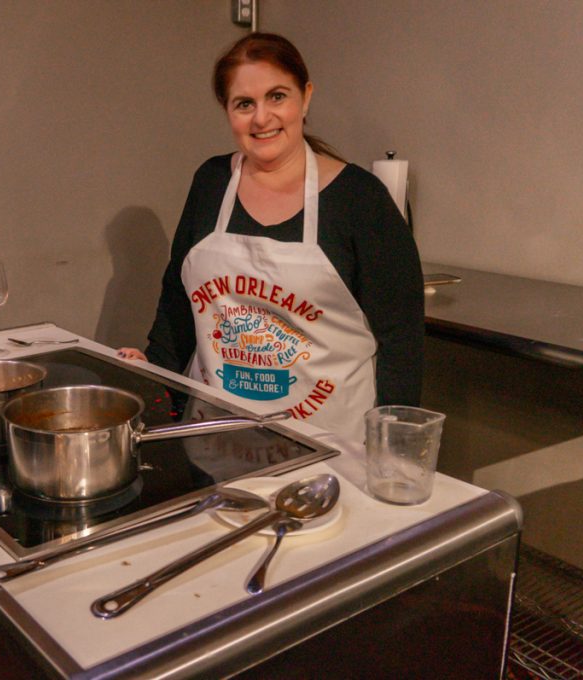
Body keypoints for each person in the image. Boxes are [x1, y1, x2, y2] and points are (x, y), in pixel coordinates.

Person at [118, 33, 424, 442]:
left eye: (277, 96)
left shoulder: (359, 199)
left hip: (330, 450)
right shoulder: (211, 181)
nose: (262, 118)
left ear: (306, 97)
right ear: (227, 111)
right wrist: (155, 381)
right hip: (214, 435)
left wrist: (391, 447)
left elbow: (401, 343)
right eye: (244, 104)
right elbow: (178, 300)